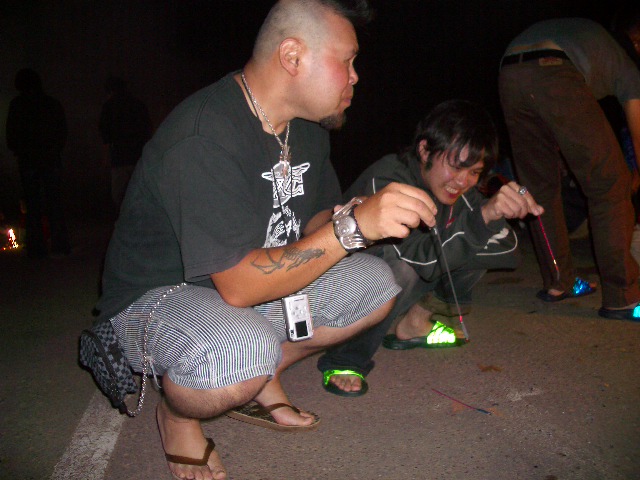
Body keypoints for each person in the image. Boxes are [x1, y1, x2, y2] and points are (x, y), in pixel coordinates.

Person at [93, 1, 442, 479]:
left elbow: (314, 220)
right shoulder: (205, 133)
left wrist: (352, 215)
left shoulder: (307, 129)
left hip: (239, 286)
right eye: (347, 61)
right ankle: (177, 416)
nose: (355, 76)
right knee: (242, 350)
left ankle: (264, 375)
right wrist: (351, 230)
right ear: (292, 56)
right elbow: (239, 285)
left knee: (376, 284)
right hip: (158, 297)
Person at [317, 99, 544, 396]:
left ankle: (415, 323)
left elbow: (509, 253)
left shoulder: (460, 190)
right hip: (333, 288)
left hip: (408, 269)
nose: (463, 181)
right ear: (425, 150)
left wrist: (495, 212)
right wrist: (479, 221)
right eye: (456, 166)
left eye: (474, 172)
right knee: (401, 268)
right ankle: (346, 357)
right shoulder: (388, 179)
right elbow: (421, 262)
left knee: (472, 241)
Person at [499, 18, 640, 322]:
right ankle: (623, 297)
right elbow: (638, 131)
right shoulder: (627, 66)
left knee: (539, 191)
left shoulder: (591, 42)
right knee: (611, 185)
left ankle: (559, 282)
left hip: (508, 70)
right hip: (554, 68)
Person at [5, 68, 70, 258]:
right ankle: (59, 244)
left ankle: (36, 247)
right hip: (50, 160)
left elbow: (11, 135)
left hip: (29, 161)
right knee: (54, 202)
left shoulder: (18, 105)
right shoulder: (51, 103)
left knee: (33, 205)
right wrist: (55, 149)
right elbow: (62, 131)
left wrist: (20, 150)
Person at [98, 75, 152, 211]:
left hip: (119, 158)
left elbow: (106, 137)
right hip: (138, 157)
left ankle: (124, 218)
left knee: (119, 195)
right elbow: (147, 131)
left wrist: (105, 160)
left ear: (110, 91)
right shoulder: (138, 105)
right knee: (138, 194)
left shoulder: (109, 107)